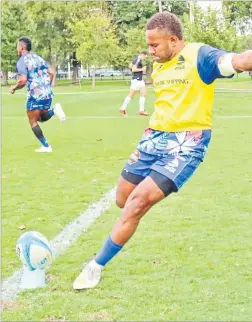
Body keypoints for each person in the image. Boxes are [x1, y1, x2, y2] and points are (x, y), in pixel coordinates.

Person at [73, 12, 252, 290]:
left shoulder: (199, 56)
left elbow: (237, 61)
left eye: (155, 45)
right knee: (122, 199)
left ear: (174, 40)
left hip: (186, 143)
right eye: (149, 45)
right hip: (153, 138)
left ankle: (95, 266)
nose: (151, 51)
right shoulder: (158, 65)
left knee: (136, 204)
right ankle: (140, 203)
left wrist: (242, 60)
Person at [9, 36, 66, 153]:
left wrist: (14, 88)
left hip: (35, 94)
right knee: (41, 117)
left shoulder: (21, 61)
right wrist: (46, 86)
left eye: (17, 46)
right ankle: (54, 110)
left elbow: (23, 80)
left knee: (33, 120)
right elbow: (51, 72)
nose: (17, 49)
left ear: (21, 47)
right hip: (47, 92)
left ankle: (46, 146)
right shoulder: (38, 57)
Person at [120, 50, 150, 117]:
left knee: (142, 93)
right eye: (145, 57)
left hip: (137, 79)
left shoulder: (136, 58)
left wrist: (137, 68)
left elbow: (130, 66)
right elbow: (133, 69)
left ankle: (141, 110)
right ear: (142, 54)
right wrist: (142, 69)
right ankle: (123, 109)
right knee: (132, 95)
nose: (145, 58)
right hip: (137, 79)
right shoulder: (138, 59)